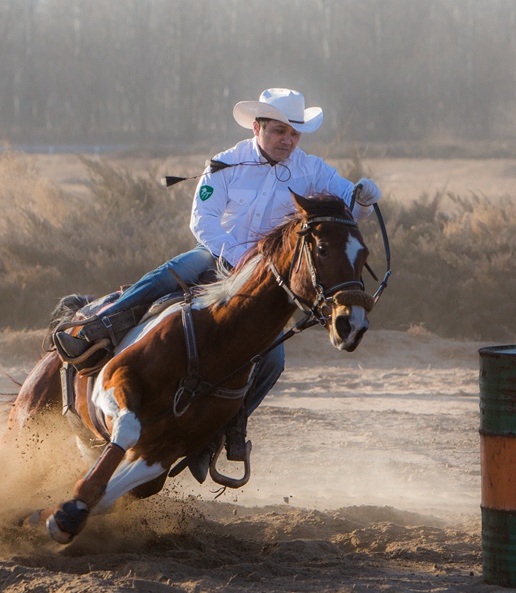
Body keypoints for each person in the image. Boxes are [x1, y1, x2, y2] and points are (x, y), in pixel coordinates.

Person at [55, 88, 381, 475]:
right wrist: (236, 256)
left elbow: (349, 203)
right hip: (217, 255)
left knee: (272, 360)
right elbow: (202, 221)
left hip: (268, 278)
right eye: (280, 131)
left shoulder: (312, 168)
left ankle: (227, 429)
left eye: (294, 134)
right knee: (167, 275)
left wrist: (364, 197)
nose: (288, 141)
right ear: (258, 127)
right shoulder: (225, 164)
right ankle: (100, 323)